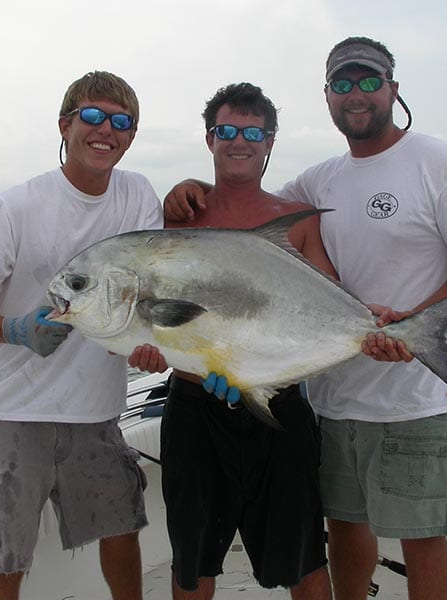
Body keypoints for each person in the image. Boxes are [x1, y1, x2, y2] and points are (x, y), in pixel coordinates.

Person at [163, 37, 447, 600]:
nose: (356, 94)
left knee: (420, 537)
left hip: (414, 397)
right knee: (346, 531)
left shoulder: (441, 163)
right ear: (327, 95)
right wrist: (193, 189)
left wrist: (413, 324)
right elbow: (252, 224)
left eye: (369, 82)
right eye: (343, 84)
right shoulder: (319, 182)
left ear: (393, 90)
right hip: (337, 396)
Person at [0, 70, 163, 600]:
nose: (104, 129)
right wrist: (13, 329)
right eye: (91, 116)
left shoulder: (136, 195)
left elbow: (151, 292)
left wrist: (150, 346)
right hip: (15, 414)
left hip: (97, 412)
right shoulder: (15, 207)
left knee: (121, 530)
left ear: (131, 135)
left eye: (120, 121)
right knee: (4, 550)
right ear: (65, 125)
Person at [131, 82, 334, 600]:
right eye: (227, 131)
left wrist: (373, 331)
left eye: (252, 132)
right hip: (196, 407)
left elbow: (332, 304)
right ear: (209, 139)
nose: (238, 141)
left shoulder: (299, 220)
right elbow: (155, 309)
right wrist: (148, 347)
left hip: (279, 403)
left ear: (269, 142)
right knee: (193, 563)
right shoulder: (178, 216)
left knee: (305, 556)